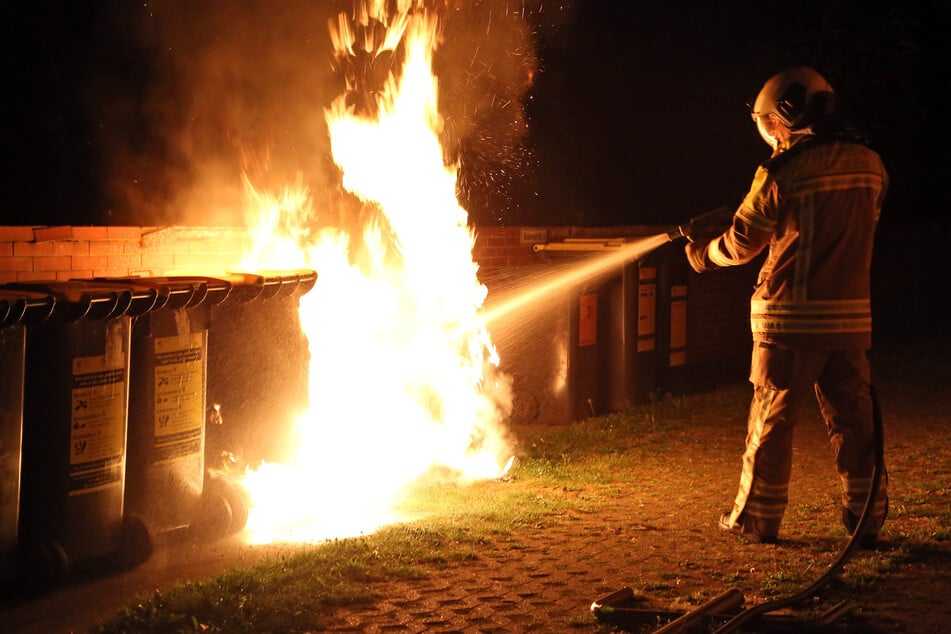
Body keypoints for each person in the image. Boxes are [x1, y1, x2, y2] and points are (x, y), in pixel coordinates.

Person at [684, 66, 889, 547]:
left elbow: (743, 242)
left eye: (767, 122)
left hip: (788, 321)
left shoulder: (782, 170)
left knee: (772, 421)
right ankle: (866, 519)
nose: (769, 132)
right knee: (855, 423)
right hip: (849, 321)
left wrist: (704, 255)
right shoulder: (871, 164)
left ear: (783, 116)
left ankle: (757, 520)